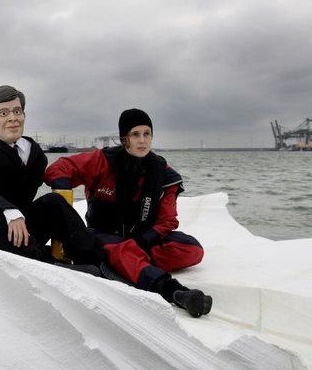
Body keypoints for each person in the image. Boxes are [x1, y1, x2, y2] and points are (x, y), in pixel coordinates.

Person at [44, 108, 212, 317]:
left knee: (192, 249)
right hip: (101, 236)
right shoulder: (101, 161)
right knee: (123, 250)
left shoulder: (164, 175)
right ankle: (175, 292)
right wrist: (63, 189)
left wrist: (142, 240)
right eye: (135, 134)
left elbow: (167, 221)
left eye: (146, 134)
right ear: (124, 139)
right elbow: (59, 167)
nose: (142, 140)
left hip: (141, 240)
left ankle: (120, 264)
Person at [0, 85, 101, 264]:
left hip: (23, 229)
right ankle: (45, 264)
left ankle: (92, 261)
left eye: (17, 111)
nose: (13, 118)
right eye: (3, 113)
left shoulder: (36, 154)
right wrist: (9, 211)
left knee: (54, 202)